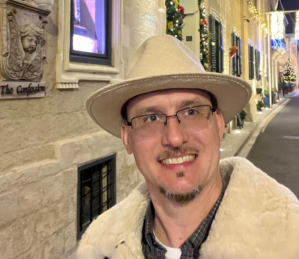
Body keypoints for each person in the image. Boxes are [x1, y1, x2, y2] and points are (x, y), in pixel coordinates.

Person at [76, 35, 299, 259]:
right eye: (151, 118)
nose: (174, 138)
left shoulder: (290, 239)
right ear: (127, 138)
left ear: (219, 123)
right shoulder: (98, 248)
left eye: (192, 112)